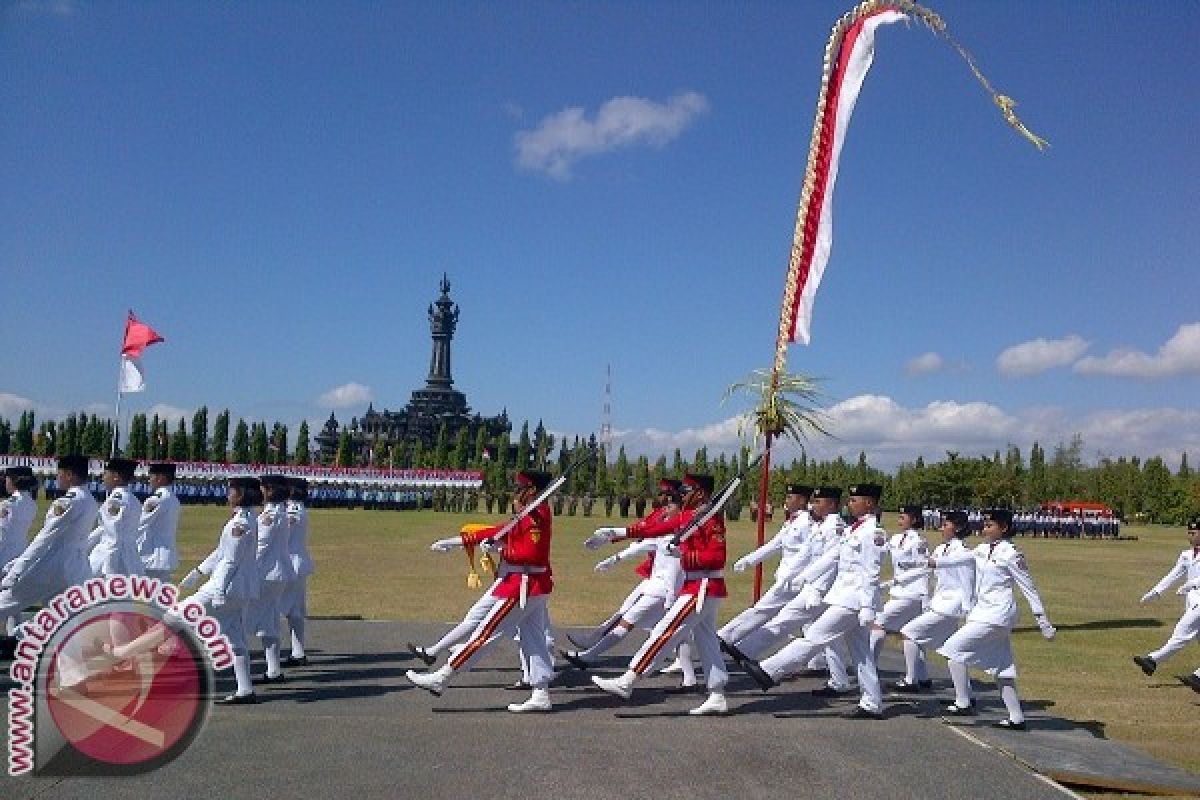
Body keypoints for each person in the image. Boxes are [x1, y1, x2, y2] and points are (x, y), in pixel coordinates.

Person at [406, 470, 557, 713]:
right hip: (529, 586)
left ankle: (443, 676)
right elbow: (494, 532)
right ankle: (540, 693)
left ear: (531, 491)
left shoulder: (537, 516)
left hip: (524, 586)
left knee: (486, 633)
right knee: (534, 641)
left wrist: (501, 550)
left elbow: (531, 555)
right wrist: (456, 541)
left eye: (520, 488)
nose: (515, 492)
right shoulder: (526, 515)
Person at [587, 473, 731, 716]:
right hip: (697, 587)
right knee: (707, 642)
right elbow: (656, 528)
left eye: (688, 491)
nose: (682, 495)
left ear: (701, 493)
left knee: (666, 630)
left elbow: (718, 558)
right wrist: (616, 532)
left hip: (703, 587)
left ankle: (628, 680)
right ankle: (717, 695)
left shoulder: (711, 519)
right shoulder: (690, 516)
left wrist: (683, 557)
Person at [739, 484, 887, 720]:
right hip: (845, 596)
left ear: (869, 503)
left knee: (815, 636)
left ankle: (769, 671)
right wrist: (804, 576)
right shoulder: (853, 530)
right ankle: (872, 702)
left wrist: (868, 606)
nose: (850, 502)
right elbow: (831, 557)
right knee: (862, 653)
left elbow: (871, 572)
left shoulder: (873, 533)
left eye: (855, 499)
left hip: (854, 600)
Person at [723, 486, 852, 696]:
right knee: (825, 635)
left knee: (788, 621)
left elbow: (831, 562)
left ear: (831, 504)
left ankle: (747, 651)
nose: (814, 505)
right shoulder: (819, 525)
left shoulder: (834, 528)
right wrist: (755, 562)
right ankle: (840, 680)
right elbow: (803, 553)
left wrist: (815, 587)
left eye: (819, 502)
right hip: (806, 584)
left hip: (820, 589)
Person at [937, 509, 1056, 729]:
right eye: (985, 523)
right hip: (983, 613)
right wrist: (930, 564)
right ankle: (1016, 717)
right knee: (1002, 668)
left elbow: (1028, 587)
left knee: (953, 648)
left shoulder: (1012, 554)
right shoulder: (981, 549)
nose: (985, 527)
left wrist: (1042, 620)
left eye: (990, 525)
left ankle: (963, 701)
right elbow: (958, 560)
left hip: (998, 614)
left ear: (1004, 528)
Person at [562, 489, 690, 686]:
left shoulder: (680, 533)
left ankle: (590, 656)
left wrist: (671, 599)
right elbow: (644, 543)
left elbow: (675, 570)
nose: (665, 508)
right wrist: (614, 556)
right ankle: (689, 677)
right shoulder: (665, 528)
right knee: (677, 632)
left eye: (671, 505)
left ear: (681, 510)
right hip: (656, 585)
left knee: (629, 621)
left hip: (664, 590)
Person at [0, 456, 97, 640]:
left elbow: (44, 538)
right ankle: (18, 638)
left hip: (52, 564)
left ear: (69, 474)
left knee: (9, 600)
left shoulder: (68, 501)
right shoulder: (90, 499)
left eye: (59, 473)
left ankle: (17, 636)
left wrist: (16, 571)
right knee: (58, 617)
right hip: (74, 567)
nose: (57, 477)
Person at [718, 484, 814, 656]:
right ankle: (819, 662)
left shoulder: (807, 523)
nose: (786, 501)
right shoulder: (793, 521)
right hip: (788, 579)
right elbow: (774, 545)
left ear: (801, 500)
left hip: (795, 580)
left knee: (763, 610)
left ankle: (726, 638)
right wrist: (749, 560)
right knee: (808, 620)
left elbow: (808, 554)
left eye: (790, 497)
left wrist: (790, 575)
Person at [895, 510, 975, 693]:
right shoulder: (940, 549)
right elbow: (926, 569)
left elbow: (967, 583)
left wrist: (968, 610)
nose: (941, 528)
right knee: (952, 651)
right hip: (940, 604)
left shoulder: (962, 552)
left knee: (909, 632)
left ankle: (911, 679)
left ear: (958, 528)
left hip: (950, 606)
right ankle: (966, 696)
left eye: (946, 525)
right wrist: (899, 579)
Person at [1133, 517, 1200, 692]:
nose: (1190, 536)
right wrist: (1156, 592)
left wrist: (1193, 583)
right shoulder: (1186, 555)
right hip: (1192, 601)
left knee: (1182, 631)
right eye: (1189, 532)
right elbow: (1172, 575)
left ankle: (1153, 660)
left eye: (1194, 533)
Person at [869, 504, 930, 688]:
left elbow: (924, 568)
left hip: (912, 594)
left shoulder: (919, 542)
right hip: (900, 593)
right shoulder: (895, 538)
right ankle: (921, 677)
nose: (900, 519)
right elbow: (881, 550)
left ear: (914, 519)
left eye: (904, 516)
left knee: (878, 624)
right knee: (911, 634)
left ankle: (867, 666)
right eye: (900, 515)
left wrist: (894, 582)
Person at [251, 474, 296, 684]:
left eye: (262, 488)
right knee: (269, 623)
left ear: (269, 490)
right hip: (279, 573)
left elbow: (260, 547)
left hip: (266, 575)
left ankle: (238, 671)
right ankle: (273, 669)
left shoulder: (269, 516)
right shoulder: (281, 512)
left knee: (246, 621)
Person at [0, 466, 39, 657]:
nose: (5, 482)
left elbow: (2, 534)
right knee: (13, 599)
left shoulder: (9, 504)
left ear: (14, 480)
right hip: (21, 551)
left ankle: (10, 639)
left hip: (4, 554)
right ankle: (13, 640)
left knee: (5, 599)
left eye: (7, 479)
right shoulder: (30, 503)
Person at [86, 458, 145, 578]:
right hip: (129, 558)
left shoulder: (115, 500)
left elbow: (114, 537)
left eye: (106, 474)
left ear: (116, 476)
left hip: (112, 560)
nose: (103, 478)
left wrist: (110, 567)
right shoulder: (133, 499)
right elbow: (103, 529)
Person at [280, 477, 315, 667]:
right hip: (297, 563)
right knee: (295, 611)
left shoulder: (292, 510)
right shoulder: (298, 508)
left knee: (277, 610)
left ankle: (275, 660)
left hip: (291, 564)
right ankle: (298, 652)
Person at [136, 462, 182, 583]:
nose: (149, 480)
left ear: (160, 478)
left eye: (151, 476)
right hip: (164, 555)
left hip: (153, 555)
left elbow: (139, 524)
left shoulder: (157, 498)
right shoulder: (172, 497)